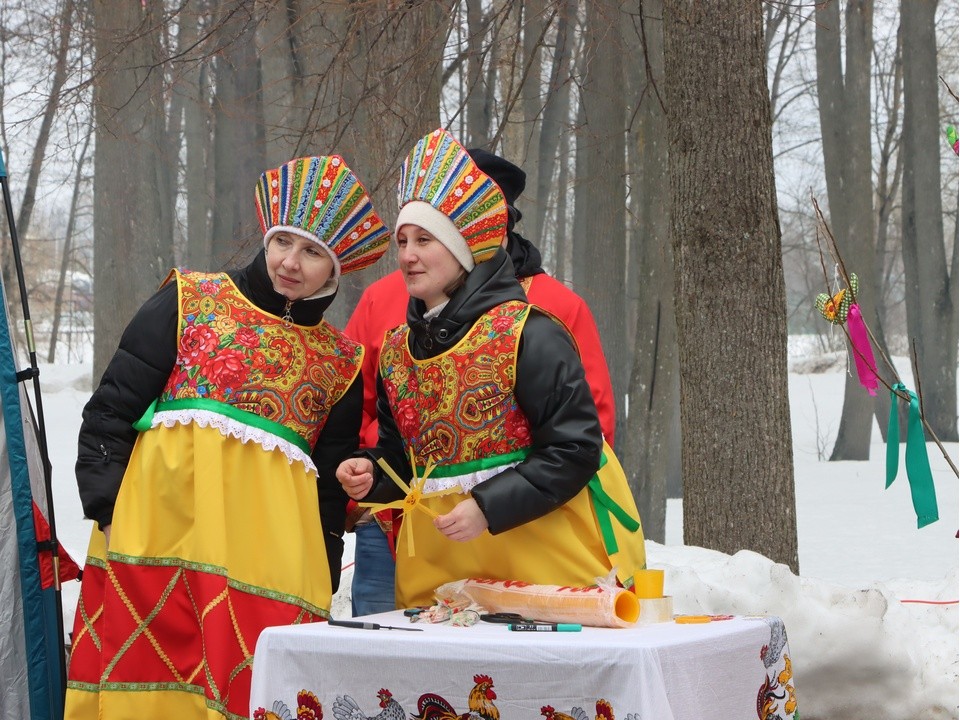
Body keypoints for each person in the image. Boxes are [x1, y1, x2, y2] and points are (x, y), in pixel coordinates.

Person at [64, 155, 390, 720]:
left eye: (313, 252)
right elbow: (111, 411)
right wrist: (110, 509)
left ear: (335, 272)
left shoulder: (341, 362)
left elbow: (328, 489)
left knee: (252, 699)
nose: (291, 262)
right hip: (157, 545)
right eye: (285, 241)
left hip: (269, 570)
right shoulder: (190, 299)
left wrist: (325, 570)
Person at [336, 129, 645, 610]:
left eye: (425, 239)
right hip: (441, 571)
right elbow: (405, 458)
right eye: (403, 240)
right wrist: (372, 473)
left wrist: (487, 505)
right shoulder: (398, 350)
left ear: (463, 248)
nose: (408, 255)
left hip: (538, 559)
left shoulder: (529, 332)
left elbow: (576, 446)